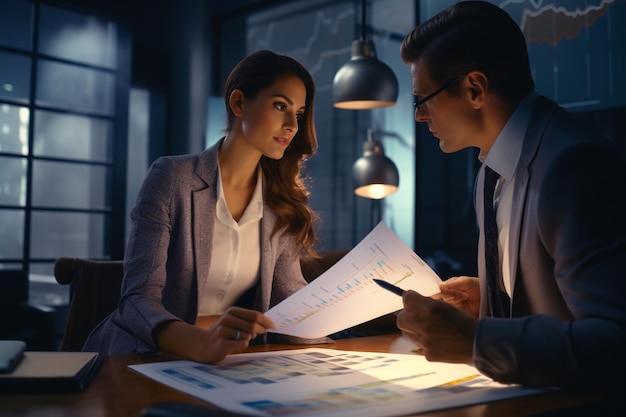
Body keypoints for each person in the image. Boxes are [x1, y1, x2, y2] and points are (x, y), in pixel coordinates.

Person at [395, 1, 626, 391]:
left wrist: (476, 340)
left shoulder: (572, 165)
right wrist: (491, 297)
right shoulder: (491, 169)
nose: (420, 116)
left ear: (475, 88)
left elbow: (616, 342)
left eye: (423, 100)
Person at [83, 50, 326, 363]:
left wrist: (367, 314)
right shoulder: (173, 178)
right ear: (239, 103)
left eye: (300, 112)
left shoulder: (282, 204)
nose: (292, 124)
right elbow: (137, 298)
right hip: (143, 357)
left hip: (227, 364)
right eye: (281, 106)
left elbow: (291, 298)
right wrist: (200, 345)